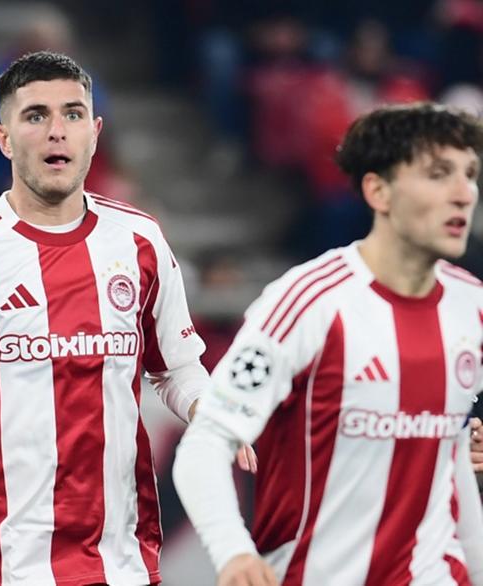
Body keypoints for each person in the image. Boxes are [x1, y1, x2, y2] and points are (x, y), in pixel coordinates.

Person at [0, 50, 244, 586]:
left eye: (73, 114)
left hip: (121, 561)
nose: (57, 130)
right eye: (36, 115)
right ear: (4, 138)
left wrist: (210, 411)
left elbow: (175, 368)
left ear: (94, 133)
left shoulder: (141, 240)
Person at [173, 102, 483, 585]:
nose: (464, 194)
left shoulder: (472, 305)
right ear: (378, 190)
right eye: (439, 174)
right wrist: (233, 551)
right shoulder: (309, 301)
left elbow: (453, 457)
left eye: (470, 175)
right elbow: (205, 443)